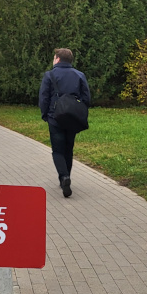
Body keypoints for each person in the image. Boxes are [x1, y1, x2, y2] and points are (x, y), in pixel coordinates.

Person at [39, 48, 91, 198]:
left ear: (57, 59)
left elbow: (44, 98)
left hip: (55, 118)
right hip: (73, 118)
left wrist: (45, 115)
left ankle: (64, 177)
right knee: (69, 149)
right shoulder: (80, 75)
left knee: (57, 150)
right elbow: (86, 98)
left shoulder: (50, 75)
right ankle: (66, 176)